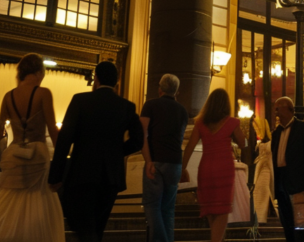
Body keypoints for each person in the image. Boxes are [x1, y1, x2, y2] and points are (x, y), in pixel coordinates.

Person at [0, 53, 64, 241]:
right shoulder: (43, 93)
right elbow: (52, 129)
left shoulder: (9, 96)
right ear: (39, 71)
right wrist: (60, 160)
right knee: (37, 202)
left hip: (14, 154)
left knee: (11, 201)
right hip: (37, 154)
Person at [49, 61, 143, 242]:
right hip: (111, 177)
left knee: (82, 225)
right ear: (117, 81)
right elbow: (138, 140)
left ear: (96, 79)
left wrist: (56, 176)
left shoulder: (80, 100)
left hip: (81, 173)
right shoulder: (126, 106)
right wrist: (116, 153)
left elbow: (64, 139)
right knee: (98, 227)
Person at [181, 88, 245, 242]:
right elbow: (244, 143)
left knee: (211, 212)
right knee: (222, 212)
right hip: (224, 169)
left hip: (206, 169)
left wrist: (182, 168)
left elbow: (189, 146)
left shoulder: (200, 123)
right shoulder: (232, 123)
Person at [140, 74, 190, 242]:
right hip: (175, 162)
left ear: (159, 88)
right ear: (177, 92)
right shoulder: (182, 110)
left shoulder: (151, 105)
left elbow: (142, 134)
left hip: (156, 160)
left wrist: (148, 161)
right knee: (168, 211)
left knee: (152, 206)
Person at [271, 97, 304, 242]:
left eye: (278, 108)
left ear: (288, 109)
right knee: (285, 216)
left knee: (301, 217)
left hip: (297, 179)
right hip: (280, 179)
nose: (276, 112)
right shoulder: (276, 133)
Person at [253, 139, 274, 224]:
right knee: (259, 193)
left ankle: (262, 216)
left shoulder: (269, 145)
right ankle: (259, 217)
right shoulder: (259, 145)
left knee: (265, 192)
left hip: (267, 172)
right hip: (263, 172)